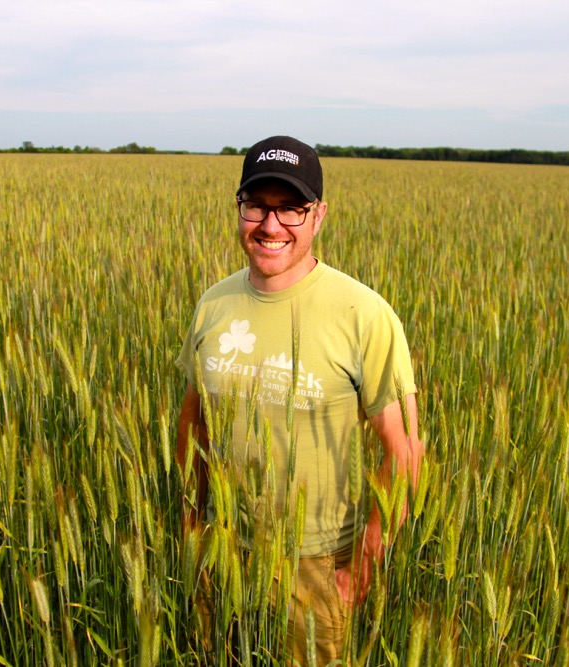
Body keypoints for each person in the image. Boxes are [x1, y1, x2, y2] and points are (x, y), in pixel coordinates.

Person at [176, 136, 424, 665]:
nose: (271, 225)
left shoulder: (365, 315)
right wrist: (191, 519)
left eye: (290, 207)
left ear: (319, 216)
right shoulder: (213, 304)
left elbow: (404, 451)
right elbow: (192, 419)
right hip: (225, 545)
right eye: (257, 206)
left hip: (316, 562)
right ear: (238, 208)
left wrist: (362, 564)